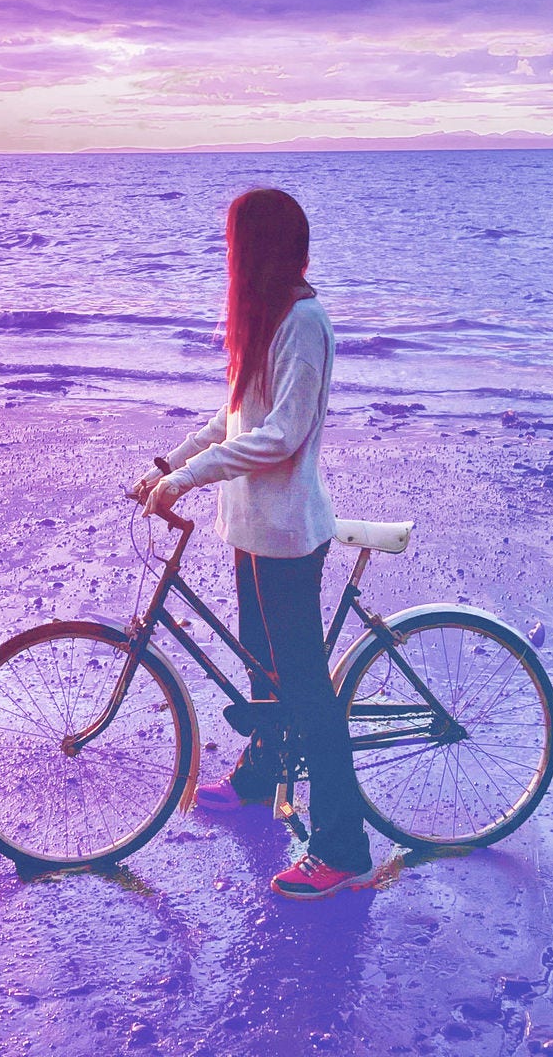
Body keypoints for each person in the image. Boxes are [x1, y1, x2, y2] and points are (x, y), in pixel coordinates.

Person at [128, 186, 373, 900]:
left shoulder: (305, 322)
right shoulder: (265, 320)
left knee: (305, 693)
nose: (227, 258)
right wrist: (170, 465)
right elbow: (234, 418)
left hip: (290, 538)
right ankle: (262, 772)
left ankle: (343, 847)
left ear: (257, 251)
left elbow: (282, 435)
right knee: (263, 672)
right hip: (250, 532)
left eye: (235, 244)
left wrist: (193, 478)